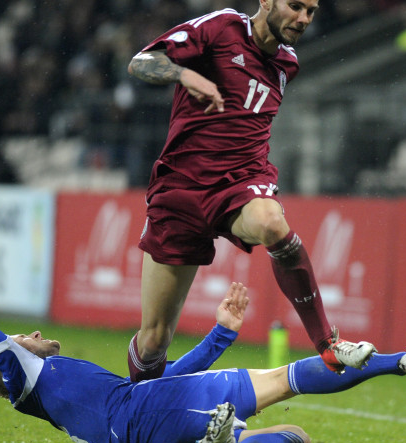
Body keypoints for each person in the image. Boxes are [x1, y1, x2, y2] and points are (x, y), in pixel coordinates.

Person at [124, 0, 375, 381]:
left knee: (273, 225)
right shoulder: (222, 27)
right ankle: (140, 417)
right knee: (154, 341)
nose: (304, 19)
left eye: (311, 10)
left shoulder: (288, 63)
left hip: (240, 182)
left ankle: (326, 341)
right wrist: (185, 75)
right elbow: (141, 63)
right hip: (180, 189)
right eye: (295, 6)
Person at [0, 282, 406, 443]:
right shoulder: (27, 378)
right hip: (144, 414)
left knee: (297, 439)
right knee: (285, 380)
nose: (40, 336)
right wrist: (4, 347)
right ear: (8, 364)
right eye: (30, 337)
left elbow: (161, 377)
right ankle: (399, 361)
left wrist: (222, 333)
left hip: (143, 424)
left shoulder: (50, 391)